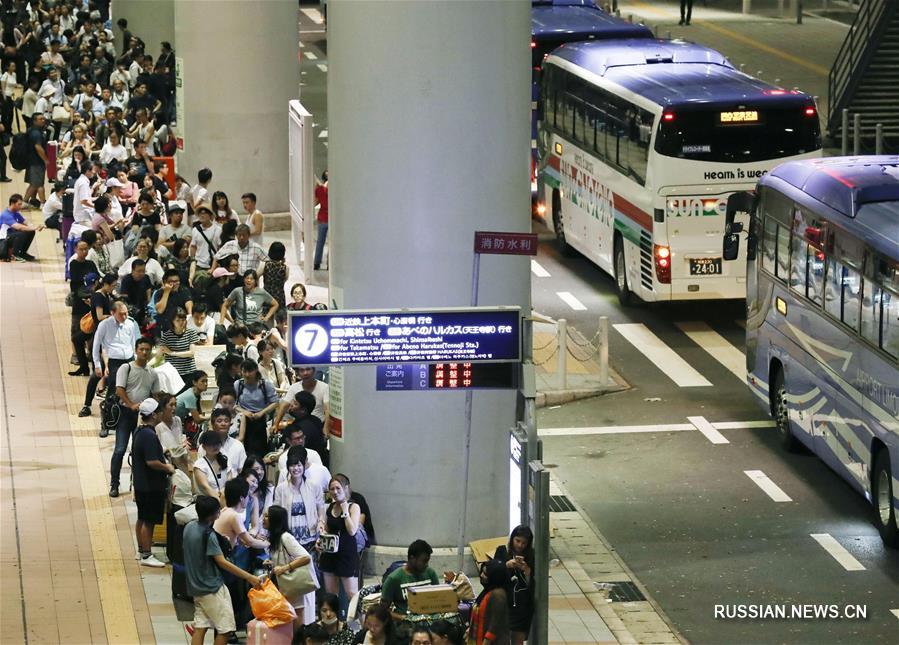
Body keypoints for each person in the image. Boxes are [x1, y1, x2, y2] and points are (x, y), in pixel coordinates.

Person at [183, 495, 262, 645]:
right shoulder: (209, 535)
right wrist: (249, 577)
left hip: (195, 587)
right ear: (214, 515)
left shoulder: (189, 527)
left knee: (201, 626)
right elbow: (222, 562)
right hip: (211, 588)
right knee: (226, 630)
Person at [110, 337, 160, 497]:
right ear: (136, 350)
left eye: (147, 349)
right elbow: (119, 390)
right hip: (126, 414)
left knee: (139, 453)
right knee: (119, 450)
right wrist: (131, 404)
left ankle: (138, 486)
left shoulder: (152, 373)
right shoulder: (126, 368)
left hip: (143, 417)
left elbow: (156, 394)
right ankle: (114, 484)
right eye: (141, 349)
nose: (144, 352)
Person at [131, 397, 176, 567]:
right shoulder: (149, 435)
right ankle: (147, 555)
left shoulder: (139, 431)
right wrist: (168, 467)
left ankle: (142, 549)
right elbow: (151, 462)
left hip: (141, 484)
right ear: (154, 415)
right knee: (149, 521)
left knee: (142, 518)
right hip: (150, 486)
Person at [87, 301, 139, 425]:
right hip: (114, 361)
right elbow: (96, 345)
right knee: (113, 392)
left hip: (129, 359)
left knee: (131, 390)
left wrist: (136, 359)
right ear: (112, 313)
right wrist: (97, 365)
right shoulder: (104, 325)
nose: (125, 317)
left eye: (126, 314)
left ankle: (126, 420)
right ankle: (106, 422)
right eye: (121, 314)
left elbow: (133, 343)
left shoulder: (130, 324)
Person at [264, 504, 316, 628]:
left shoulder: (286, 537)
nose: (263, 518)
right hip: (286, 584)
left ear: (274, 519)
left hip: (293, 584)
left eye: (267, 516)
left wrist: (284, 568)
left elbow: (306, 557)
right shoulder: (275, 539)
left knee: (296, 617)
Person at [273, 446, 325, 560]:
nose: (296, 468)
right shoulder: (280, 489)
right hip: (289, 538)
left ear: (304, 466)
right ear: (288, 467)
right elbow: (276, 512)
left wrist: (321, 522)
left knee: (310, 571)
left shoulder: (314, 486)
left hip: (310, 538)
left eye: (299, 465)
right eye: (292, 465)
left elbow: (320, 508)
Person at [319, 477, 361, 608]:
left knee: (352, 594)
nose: (335, 491)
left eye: (338, 488)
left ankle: (358, 625)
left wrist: (345, 512)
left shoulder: (354, 507)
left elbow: (352, 530)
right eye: (332, 489)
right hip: (330, 553)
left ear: (346, 488)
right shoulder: (330, 507)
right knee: (331, 595)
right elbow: (326, 529)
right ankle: (334, 625)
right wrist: (321, 538)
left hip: (346, 554)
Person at [491, 526, 534, 645]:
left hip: (521, 607)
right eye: (517, 541)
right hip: (504, 603)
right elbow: (493, 574)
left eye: (524, 543)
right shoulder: (502, 552)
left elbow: (532, 584)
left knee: (518, 640)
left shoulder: (531, 557)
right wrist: (506, 565)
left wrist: (527, 572)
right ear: (512, 539)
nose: (520, 545)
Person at [381, 540, 440, 626]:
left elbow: (438, 601)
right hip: (406, 626)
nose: (426, 564)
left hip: (430, 623)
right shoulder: (394, 579)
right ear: (412, 558)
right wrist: (403, 618)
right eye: (424, 561)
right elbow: (382, 611)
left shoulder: (430, 573)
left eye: (427, 561)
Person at [235, 358, 279, 457]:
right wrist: (244, 412)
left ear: (256, 371)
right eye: (244, 371)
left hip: (260, 419)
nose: (247, 374)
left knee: (260, 450)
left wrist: (262, 413)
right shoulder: (238, 384)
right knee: (244, 451)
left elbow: (275, 402)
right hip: (243, 420)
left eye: (250, 371)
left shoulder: (265, 384)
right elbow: (233, 405)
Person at [274, 366, 329, 437]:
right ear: (298, 373)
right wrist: (276, 425)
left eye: (308, 369)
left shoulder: (324, 387)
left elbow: (327, 409)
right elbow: (283, 407)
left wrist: (326, 427)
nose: (305, 373)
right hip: (300, 424)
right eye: (302, 370)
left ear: (314, 371)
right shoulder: (294, 387)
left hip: (317, 424)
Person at [198, 408, 247, 479]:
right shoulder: (205, 446)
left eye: (226, 421)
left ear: (230, 424)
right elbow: (201, 472)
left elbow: (242, 470)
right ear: (213, 424)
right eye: (219, 421)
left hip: (234, 486)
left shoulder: (238, 445)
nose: (223, 424)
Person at [469, 561, 510, 645]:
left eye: (485, 574)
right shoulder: (488, 591)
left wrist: (486, 641)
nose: (481, 575)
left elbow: (496, 623)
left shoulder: (498, 595)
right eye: (482, 572)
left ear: (495, 577)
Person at [1, 194, 44, 262]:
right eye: (19, 204)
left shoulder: (15, 212)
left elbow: (24, 221)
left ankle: (22, 253)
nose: (21, 206)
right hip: (4, 239)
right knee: (21, 233)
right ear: (12, 203)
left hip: (11, 234)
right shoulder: (6, 215)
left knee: (30, 232)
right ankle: (15, 254)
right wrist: (34, 228)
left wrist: (33, 226)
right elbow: (19, 227)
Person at [194, 429, 231, 503]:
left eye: (217, 443)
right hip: (208, 503)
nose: (215, 446)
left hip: (225, 499)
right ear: (204, 447)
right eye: (211, 444)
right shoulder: (199, 465)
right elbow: (206, 487)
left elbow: (229, 482)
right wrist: (222, 503)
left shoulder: (225, 459)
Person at [23, 113, 49, 209]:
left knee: (33, 183)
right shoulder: (36, 133)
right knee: (38, 184)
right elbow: (38, 147)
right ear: (34, 121)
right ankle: (43, 204)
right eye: (40, 119)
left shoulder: (31, 130)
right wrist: (46, 160)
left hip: (31, 161)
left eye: (43, 118)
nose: (43, 120)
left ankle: (26, 201)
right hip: (36, 162)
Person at [175, 370, 210, 439]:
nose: (206, 384)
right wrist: (211, 416)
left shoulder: (195, 394)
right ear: (194, 382)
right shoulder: (190, 396)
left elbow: (200, 414)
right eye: (203, 381)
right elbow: (197, 419)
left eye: (206, 381)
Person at [190, 203, 221, 271]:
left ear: (210, 215)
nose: (202, 215)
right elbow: (193, 247)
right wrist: (192, 262)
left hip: (213, 265)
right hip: (199, 265)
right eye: (200, 213)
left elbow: (220, 249)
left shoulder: (218, 230)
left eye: (204, 213)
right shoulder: (195, 230)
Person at [262, 241, 288, 310]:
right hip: (279, 296)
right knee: (280, 318)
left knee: (266, 317)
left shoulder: (264, 265)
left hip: (266, 295)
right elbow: (285, 279)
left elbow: (255, 276)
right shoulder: (285, 268)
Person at [313, 170, 328, 270]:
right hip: (332, 218)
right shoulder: (335, 190)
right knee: (332, 243)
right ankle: (330, 263)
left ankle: (317, 263)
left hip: (322, 217)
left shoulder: (319, 190)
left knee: (320, 242)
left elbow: (315, 202)